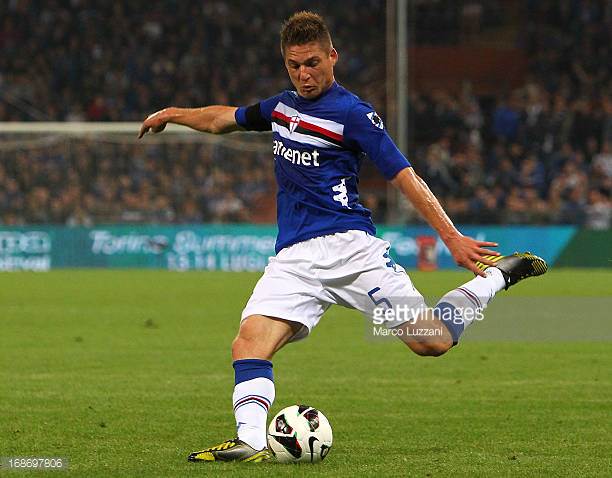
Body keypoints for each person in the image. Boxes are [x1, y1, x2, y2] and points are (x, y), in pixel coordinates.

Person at [139, 11, 547, 463]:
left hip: (351, 250)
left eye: (312, 62)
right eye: (294, 65)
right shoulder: (280, 107)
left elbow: (405, 176)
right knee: (248, 342)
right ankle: (251, 441)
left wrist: (450, 237)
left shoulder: (354, 115)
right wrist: (174, 114)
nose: (303, 74)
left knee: (431, 342)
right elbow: (223, 119)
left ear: (332, 56)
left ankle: (494, 280)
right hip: (293, 258)